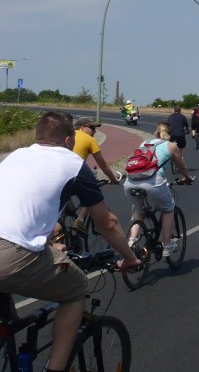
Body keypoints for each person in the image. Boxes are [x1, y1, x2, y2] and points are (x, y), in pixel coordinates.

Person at [0, 111, 140, 372]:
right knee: (75, 288)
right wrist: (129, 257)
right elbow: (106, 222)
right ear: (68, 140)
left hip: (11, 247)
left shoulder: (16, 156)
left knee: (8, 313)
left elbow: (23, 209)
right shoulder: (73, 164)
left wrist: (49, 245)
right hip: (10, 255)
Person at [124, 122, 193, 260]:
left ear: (156, 132)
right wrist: (187, 177)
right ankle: (167, 246)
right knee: (168, 209)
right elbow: (181, 166)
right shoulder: (172, 146)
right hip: (152, 181)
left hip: (130, 181)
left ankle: (131, 240)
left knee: (138, 209)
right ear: (170, 133)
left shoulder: (145, 143)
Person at [72, 117, 119, 185]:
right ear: (82, 128)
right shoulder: (90, 140)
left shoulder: (68, 135)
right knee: (93, 192)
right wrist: (113, 179)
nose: (95, 131)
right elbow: (103, 165)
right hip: (75, 174)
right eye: (92, 128)